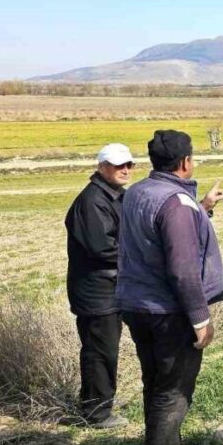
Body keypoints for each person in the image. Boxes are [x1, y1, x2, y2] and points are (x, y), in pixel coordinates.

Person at [117, 129, 223, 445]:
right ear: (185, 162)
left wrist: (202, 207)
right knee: (172, 395)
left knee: (154, 385)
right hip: (168, 312)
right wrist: (200, 319)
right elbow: (182, 269)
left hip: (137, 306)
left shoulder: (137, 192)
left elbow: (158, 233)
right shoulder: (176, 203)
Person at [65, 143, 135, 429]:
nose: (125, 170)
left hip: (111, 287)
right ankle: (96, 413)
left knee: (106, 349)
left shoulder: (116, 195)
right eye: (119, 165)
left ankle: (99, 404)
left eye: (129, 164)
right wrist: (140, 252)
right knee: (99, 351)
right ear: (101, 166)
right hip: (96, 291)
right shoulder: (92, 201)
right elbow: (101, 248)